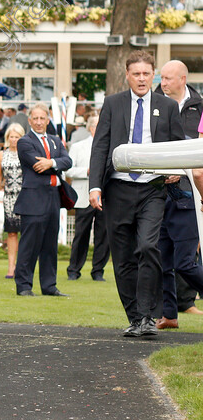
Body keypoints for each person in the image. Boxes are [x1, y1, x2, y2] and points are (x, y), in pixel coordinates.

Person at [89, 50, 184, 338]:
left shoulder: (167, 106)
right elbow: (100, 147)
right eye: (136, 73)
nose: (142, 79)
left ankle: (147, 314)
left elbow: (177, 145)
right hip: (117, 189)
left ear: (153, 74)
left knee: (147, 247)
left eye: (146, 73)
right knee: (122, 257)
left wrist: (177, 168)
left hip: (153, 189)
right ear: (127, 76)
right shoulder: (113, 104)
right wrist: (95, 186)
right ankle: (135, 317)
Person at [153, 60, 203, 329]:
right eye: (161, 77)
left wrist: (182, 172)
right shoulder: (153, 105)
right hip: (160, 192)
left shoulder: (200, 106)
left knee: (185, 262)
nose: (163, 83)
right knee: (162, 260)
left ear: (183, 79)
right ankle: (169, 315)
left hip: (189, 194)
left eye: (168, 78)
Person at [13, 104, 72, 296]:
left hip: (53, 197)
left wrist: (51, 162)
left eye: (42, 118)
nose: (39, 122)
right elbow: (35, 163)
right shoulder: (24, 141)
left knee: (50, 245)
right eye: (35, 118)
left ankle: (49, 286)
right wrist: (55, 163)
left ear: (48, 120)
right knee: (29, 245)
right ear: (30, 121)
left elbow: (67, 161)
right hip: (33, 198)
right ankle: (24, 286)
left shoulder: (55, 140)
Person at [66, 116, 109, 282]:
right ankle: (74, 270)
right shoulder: (78, 147)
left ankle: (98, 270)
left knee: (103, 235)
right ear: (91, 128)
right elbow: (68, 170)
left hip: (105, 197)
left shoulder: (111, 146)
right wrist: (87, 171)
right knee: (81, 234)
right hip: (83, 196)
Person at [0, 123, 25, 279]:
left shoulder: (26, 153)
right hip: (8, 197)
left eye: (17, 137)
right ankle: (11, 267)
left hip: (25, 196)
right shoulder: (2, 154)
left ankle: (23, 267)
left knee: (25, 233)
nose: (14, 140)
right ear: (7, 138)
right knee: (12, 233)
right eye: (11, 137)